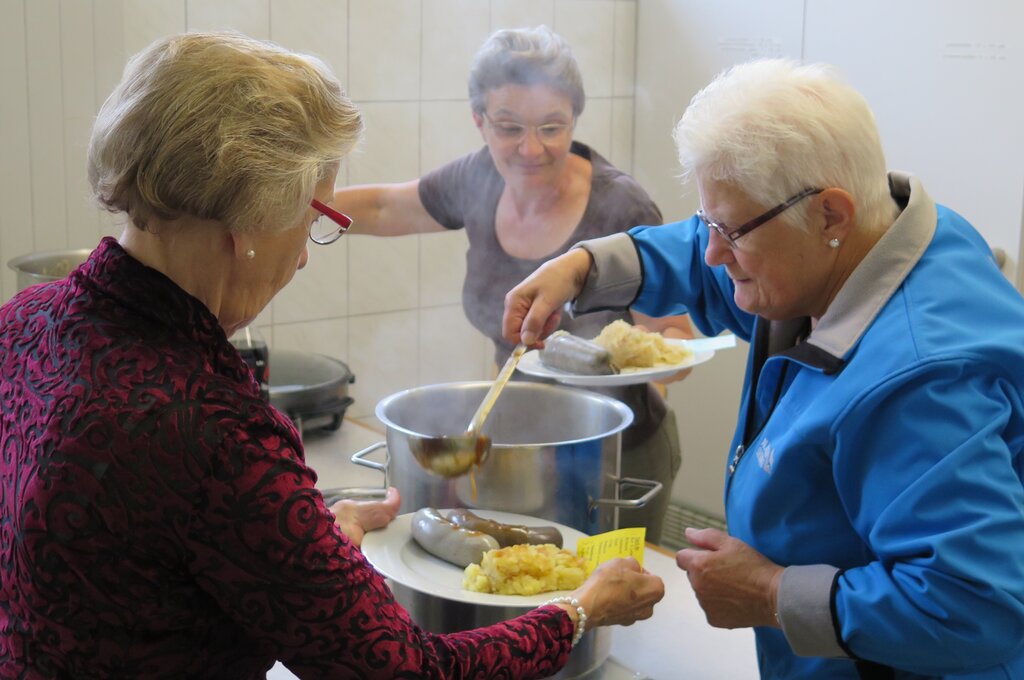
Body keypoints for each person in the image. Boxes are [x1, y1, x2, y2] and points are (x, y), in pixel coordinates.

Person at [0, 32, 664, 679]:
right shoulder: (216, 434)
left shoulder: (22, 322)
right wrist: (579, 610)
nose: (299, 257)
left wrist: (300, 541)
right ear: (249, 225)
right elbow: (404, 668)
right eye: (312, 218)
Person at [501, 58, 1024, 679]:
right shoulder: (863, 238)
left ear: (831, 214)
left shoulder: (921, 382)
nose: (715, 251)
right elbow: (704, 256)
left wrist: (772, 594)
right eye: (709, 221)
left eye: (733, 230)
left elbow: (974, 608)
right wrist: (586, 266)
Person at [334, 25, 694, 544]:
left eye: (552, 127)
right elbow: (387, 205)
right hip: (515, 446)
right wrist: (296, 204)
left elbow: (677, 337)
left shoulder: (621, 207)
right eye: (509, 127)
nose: (531, 148)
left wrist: (609, 384)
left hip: (612, 454)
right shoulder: (475, 179)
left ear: (574, 118)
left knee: (599, 600)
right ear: (479, 121)